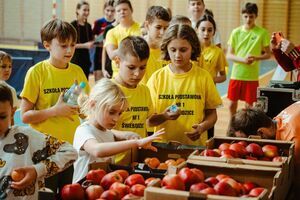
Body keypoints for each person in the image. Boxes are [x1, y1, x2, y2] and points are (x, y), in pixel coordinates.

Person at [20, 19, 89, 196]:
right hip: (43, 151)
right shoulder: (37, 72)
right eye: (63, 45)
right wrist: (54, 111)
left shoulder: (77, 72)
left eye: (73, 45)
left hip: (69, 150)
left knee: (67, 194)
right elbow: (25, 116)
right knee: (45, 195)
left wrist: (89, 106)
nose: (69, 50)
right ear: (47, 45)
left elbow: (85, 111)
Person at [72, 78, 164, 182]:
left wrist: (127, 135)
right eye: (111, 112)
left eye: (120, 113)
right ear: (93, 105)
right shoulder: (83, 131)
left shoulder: (106, 131)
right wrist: (136, 142)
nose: (116, 119)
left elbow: (108, 133)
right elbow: (97, 150)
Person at [147, 24, 222, 146]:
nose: (177, 55)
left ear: (193, 48)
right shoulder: (157, 78)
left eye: (183, 50)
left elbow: (212, 114)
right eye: (173, 50)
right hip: (162, 147)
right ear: (166, 49)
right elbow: (149, 122)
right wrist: (164, 116)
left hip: (195, 146)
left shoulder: (204, 77)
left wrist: (202, 127)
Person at [0, 82, 77, 200]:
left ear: (12, 112)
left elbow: (69, 152)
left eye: (2, 117)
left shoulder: (25, 137)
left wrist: (37, 170)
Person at [112, 36, 169, 164]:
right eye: (131, 68)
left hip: (138, 160)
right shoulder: (107, 90)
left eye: (142, 67)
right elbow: (94, 129)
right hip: (113, 162)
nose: (137, 74)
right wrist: (124, 135)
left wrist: (164, 116)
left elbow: (148, 121)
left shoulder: (144, 90)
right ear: (117, 61)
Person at [228, 103, 300, 198]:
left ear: (261, 132)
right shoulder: (277, 121)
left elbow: (297, 182)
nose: (247, 146)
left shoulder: (294, 140)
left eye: (248, 141)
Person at [226, 2, 271, 118]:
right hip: (237, 74)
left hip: (251, 76)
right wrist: (243, 60)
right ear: (242, 16)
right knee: (231, 104)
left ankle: (246, 127)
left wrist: (256, 57)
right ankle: (232, 125)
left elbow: (268, 54)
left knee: (249, 106)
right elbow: (229, 55)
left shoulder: (262, 32)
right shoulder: (235, 32)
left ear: (256, 16)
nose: (248, 19)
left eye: (251, 16)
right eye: (246, 16)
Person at [196, 14, 227, 139]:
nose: (206, 33)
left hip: (209, 94)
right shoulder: (191, 50)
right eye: (203, 29)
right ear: (197, 30)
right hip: (193, 92)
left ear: (214, 32)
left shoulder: (217, 52)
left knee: (209, 122)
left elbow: (223, 77)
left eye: (210, 30)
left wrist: (208, 80)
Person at [104, 0, 141, 78]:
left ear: (131, 10)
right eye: (118, 11)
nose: (122, 12)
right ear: (115, 14)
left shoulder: (141, 28)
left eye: (125, 9)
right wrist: (130, 48)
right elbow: (112, 55)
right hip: (118, 75)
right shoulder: (111, 32)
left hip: (138, 74)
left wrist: (121, 50)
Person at [140, 5, 171, 85]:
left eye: (165, 28)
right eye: (158, 27)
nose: (162, 33)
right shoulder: (137, 49)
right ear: (147, 25)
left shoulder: (170, 50)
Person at [92, 0, 115, 81]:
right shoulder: (98, 23)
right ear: (104, 10)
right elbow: (92, 40)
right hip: (99, 54)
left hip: (111, 56)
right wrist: (99, 42)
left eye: (112, 11)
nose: (110, 13)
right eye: (108, 10)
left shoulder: (116, 24)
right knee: (98, 81)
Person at [71, 0, 94, 79]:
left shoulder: (89, 26)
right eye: (84, 10)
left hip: (86, 61)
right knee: (74, 85)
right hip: (75, 60)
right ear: (77, 10)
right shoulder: (72, 25)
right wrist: (85, 45)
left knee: (83, 84)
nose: (87, 12)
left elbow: (90, 41)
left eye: (88, 10)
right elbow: (70, 44)